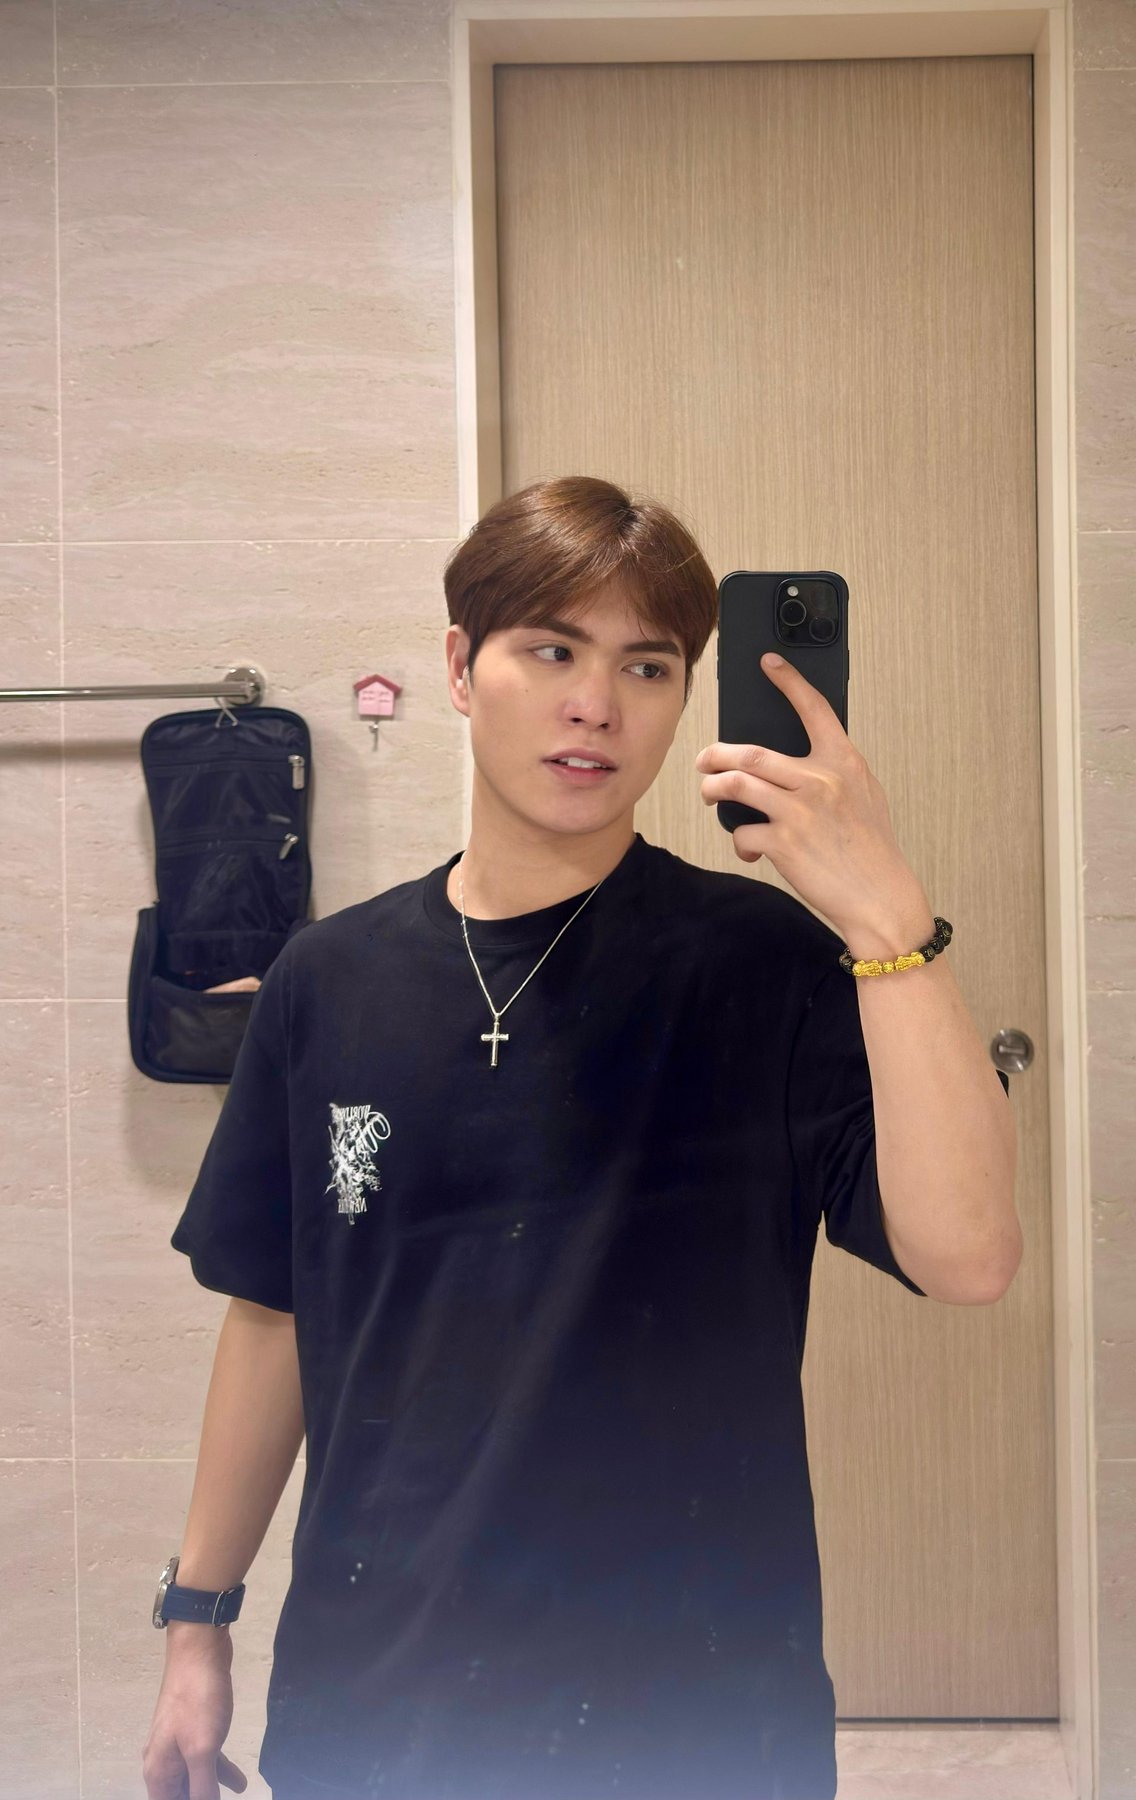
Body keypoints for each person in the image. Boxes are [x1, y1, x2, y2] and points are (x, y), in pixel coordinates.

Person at [142, 474, 1015, 1800]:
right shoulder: (327, 980)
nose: (596, 705)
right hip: (382, 1690)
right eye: (551, 651)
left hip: (701, 1694)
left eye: (646, 666)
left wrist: (889, 922)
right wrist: (197, 1622)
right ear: (460, 667)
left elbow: (968, 1256)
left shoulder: (766, 964)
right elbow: (275, 1313)